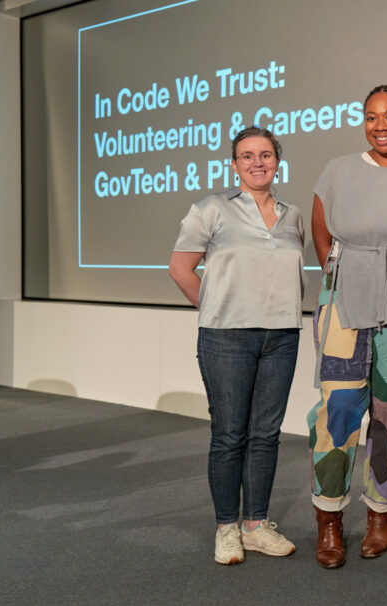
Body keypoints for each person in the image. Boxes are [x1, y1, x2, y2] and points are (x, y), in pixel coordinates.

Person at [306, 85, 387, 569]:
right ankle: (330, 518)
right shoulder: (337, 171)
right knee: (336, 409)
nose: (381, 125)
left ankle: (381, 514)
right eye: (371, 116)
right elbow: (321, 234)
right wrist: (347, 282)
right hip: (345, 305)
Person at [169, 126, 304, 566]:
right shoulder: (210, 209)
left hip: (282, 336)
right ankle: (227, 528)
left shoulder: (293, 215)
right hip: (226, 337)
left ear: (277, 162)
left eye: (265, 155)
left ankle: (256, 525)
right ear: (234, 164)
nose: (257, 162)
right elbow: (180, 267)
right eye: (247, 156)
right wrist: (214, 307)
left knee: (266, 435)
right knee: (230, 435)